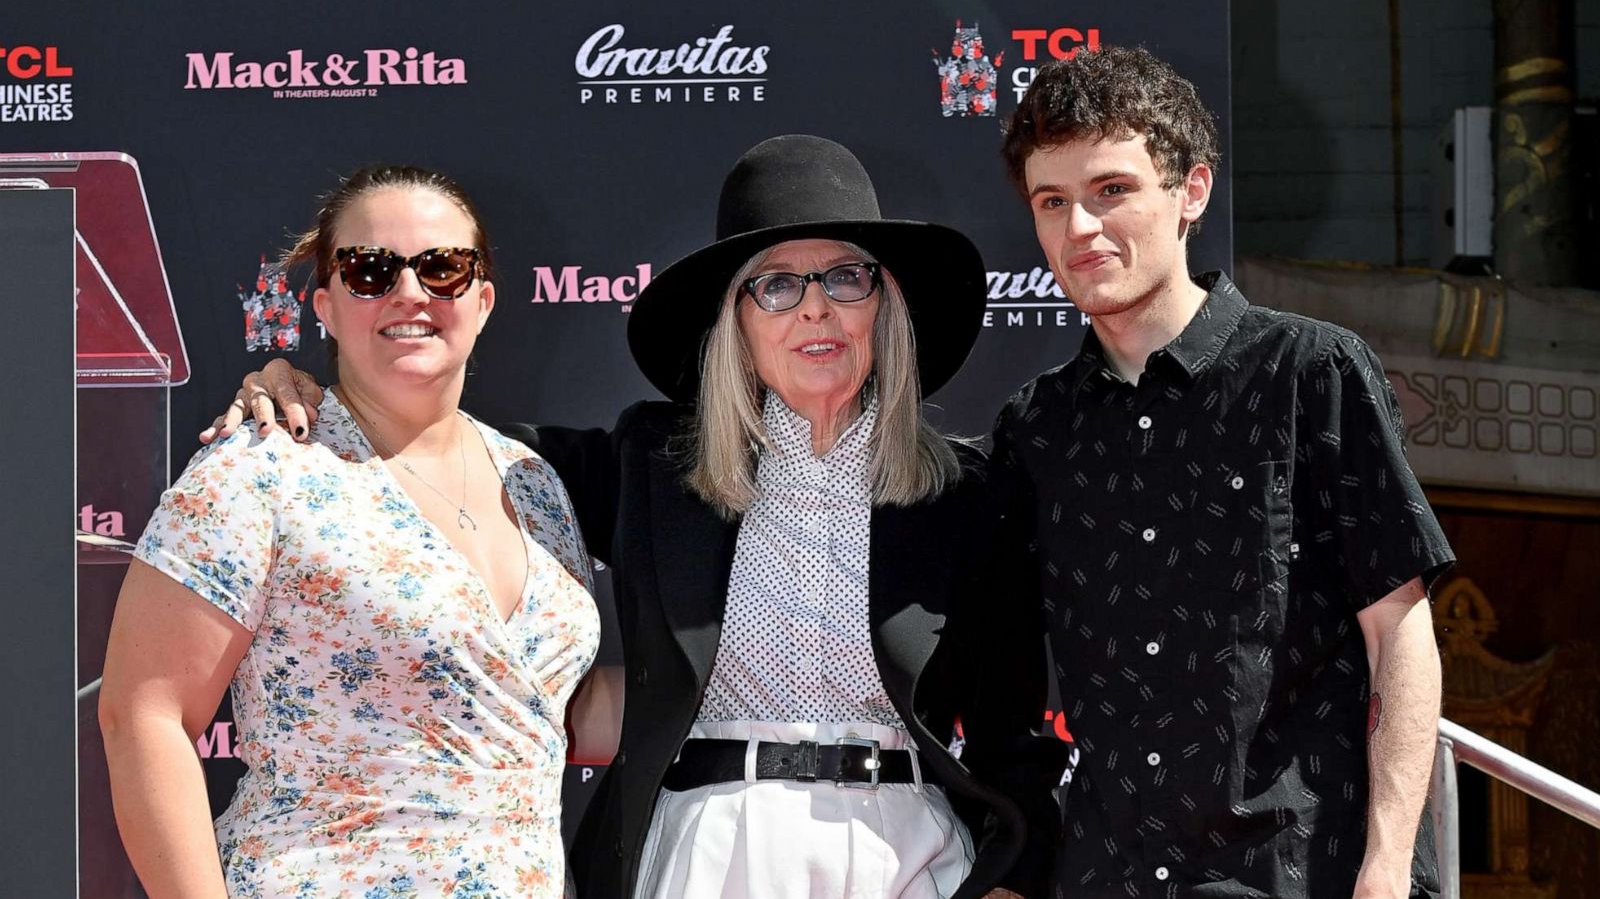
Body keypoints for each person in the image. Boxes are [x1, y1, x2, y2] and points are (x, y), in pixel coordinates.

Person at [202, 135, 1066, 899]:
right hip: (706, 852)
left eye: (846, 277)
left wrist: (1009, 886)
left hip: (909, 856)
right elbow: (434, 439)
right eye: (775, 285)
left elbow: (1016, 740)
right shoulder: (653, 466)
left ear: (886, 306)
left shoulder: (970, 497)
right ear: (733, 319)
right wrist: (308, 389)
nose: (815, 308)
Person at [991, 47, 1456, 897]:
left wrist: (1388, 864)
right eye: (1052, 202)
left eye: (1112, 190)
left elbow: (1401, 632)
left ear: (1191, 193)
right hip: (1111, 877)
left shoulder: (1310, 371)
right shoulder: (1035, 429)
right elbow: (1005, 686)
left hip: (1300, 872)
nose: (1081, 229)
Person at [100, 165, 599, 897]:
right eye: (370, 270)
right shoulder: (261, 470)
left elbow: (529, 710)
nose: (409, 293)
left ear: (483, 300)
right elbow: (144, 716)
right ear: (326, 306)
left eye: (443, 267)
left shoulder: (534, 483)